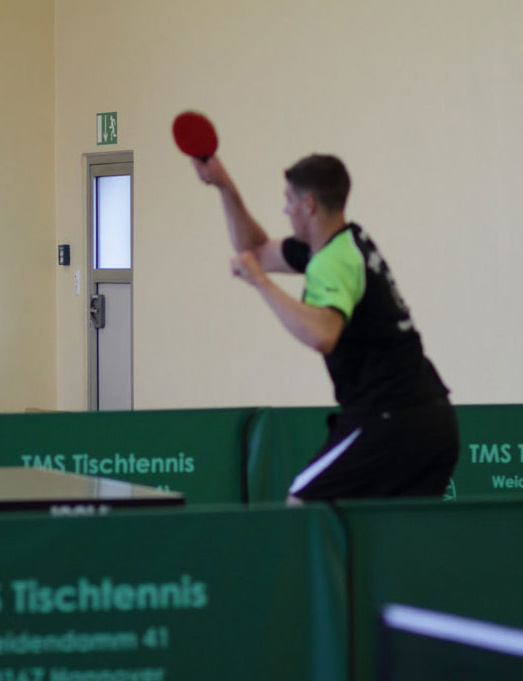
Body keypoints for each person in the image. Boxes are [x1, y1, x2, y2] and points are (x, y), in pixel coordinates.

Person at [192, 153, 458, 501]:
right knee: (391, 530)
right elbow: (254, 250)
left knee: (303, 504)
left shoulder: (334, 261)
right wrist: (224, 186)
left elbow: (322, 335)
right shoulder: (342, 244)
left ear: (309, 204)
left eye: (289, 201)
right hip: (435, 419)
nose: (285, 210)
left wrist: (260, 283)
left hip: (391, 418)